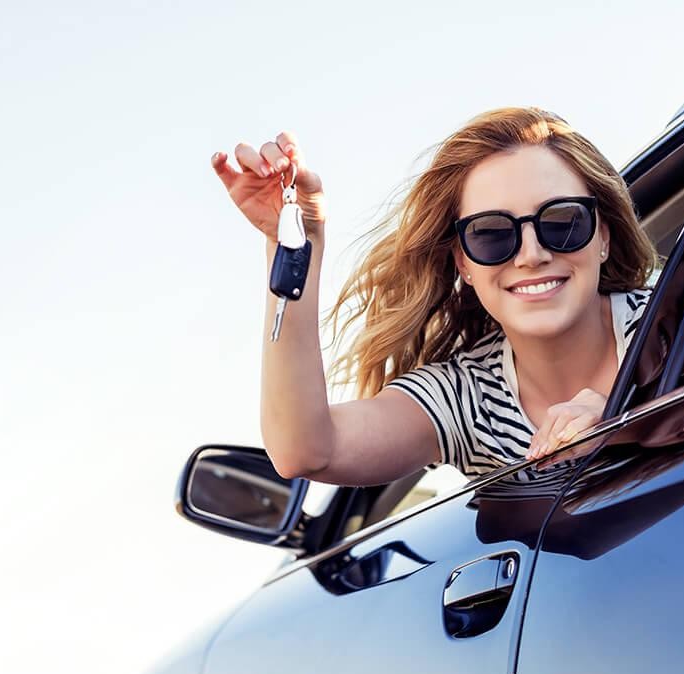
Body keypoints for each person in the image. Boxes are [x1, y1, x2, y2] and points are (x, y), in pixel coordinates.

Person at [211, 107, 659, 486]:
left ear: (602, 236)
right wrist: (296, 243)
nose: (531, 254)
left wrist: (632, 418)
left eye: (562, 221)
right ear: (463, 263)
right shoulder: (467, 397)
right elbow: (305, 451)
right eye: (490, 234)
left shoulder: (683, 324)